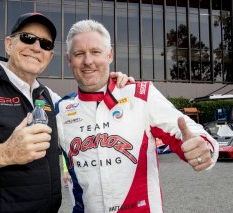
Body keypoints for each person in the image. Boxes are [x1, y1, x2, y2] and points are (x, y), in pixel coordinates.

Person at [0, 13, 132, 213]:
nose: (37, 47)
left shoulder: (48, 96)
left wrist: (110, 83)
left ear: (50, 55)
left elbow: (86, 105)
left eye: (45, 44)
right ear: (9, 44)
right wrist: (6, 153)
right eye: (28, 38)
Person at [55, 19, 219, 213]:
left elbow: (187, 132)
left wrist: (203, 147)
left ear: (110, 55)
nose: (88, 61)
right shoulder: (61, 110)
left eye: (96, 52)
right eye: (79, 54)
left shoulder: (141, 95)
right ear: (68, 59)